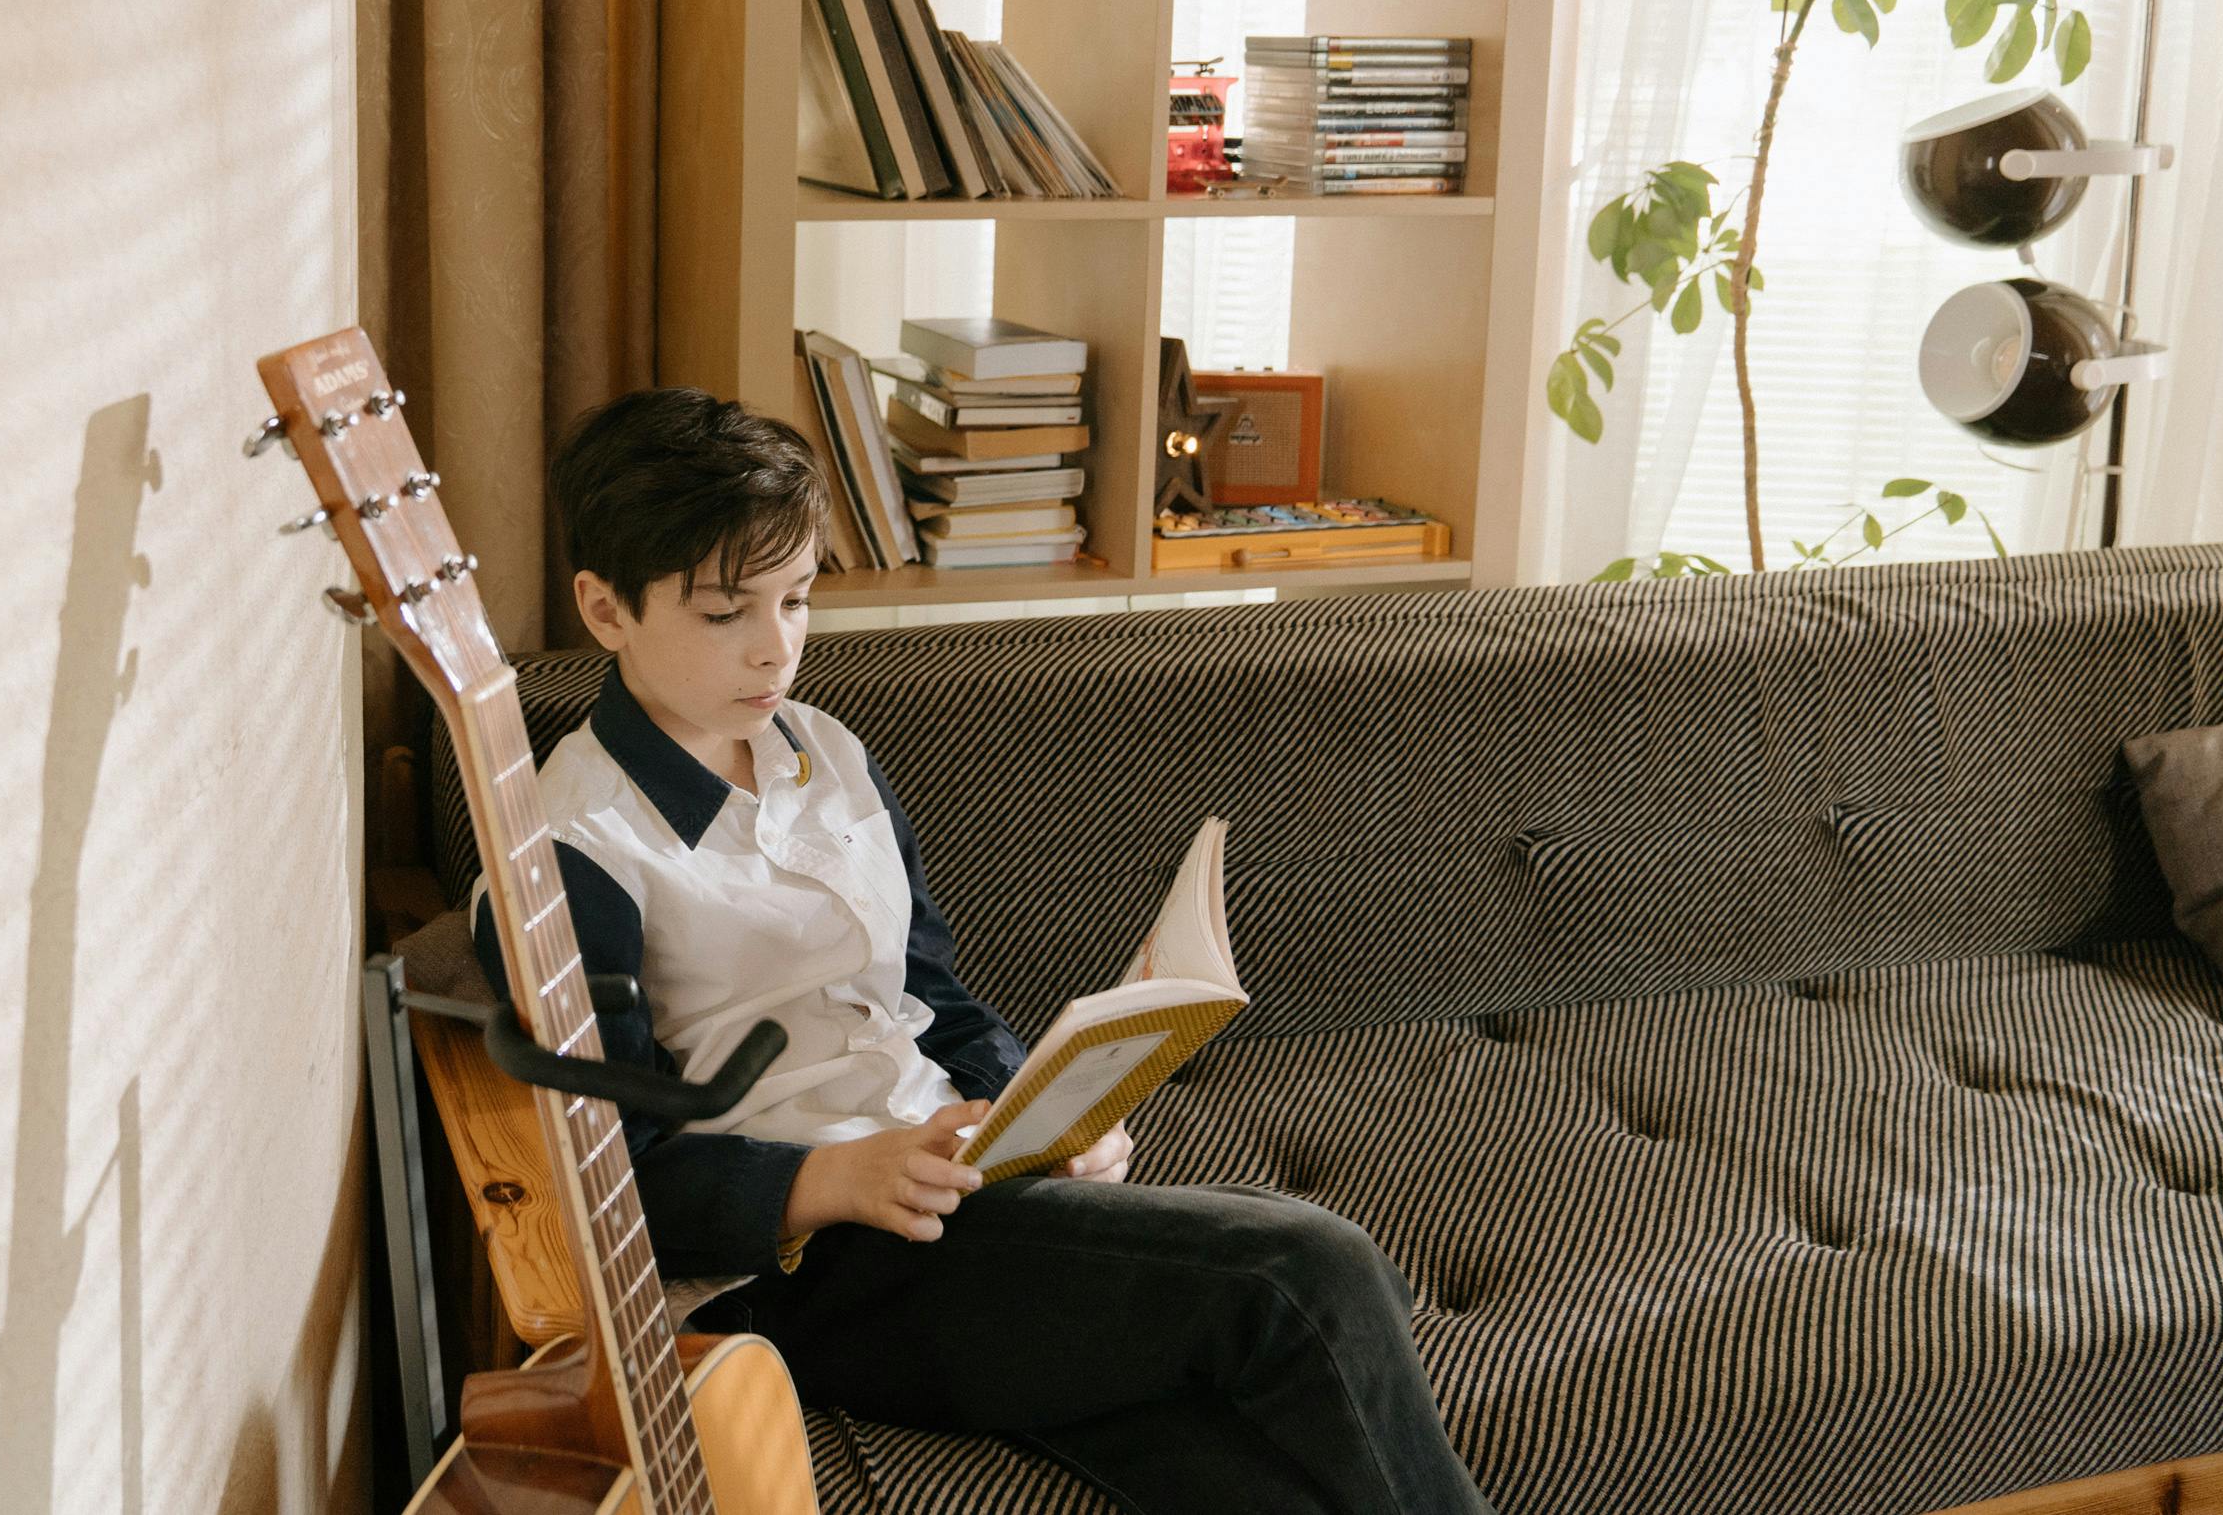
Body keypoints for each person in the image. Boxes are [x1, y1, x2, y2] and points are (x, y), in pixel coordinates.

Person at [474, 388, 1496, 1515]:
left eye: (798, 597)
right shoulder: (570, 852)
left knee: (1266, 1448)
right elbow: (604, 1186)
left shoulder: (828, 749)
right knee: (1311, 1272)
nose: (775, 648)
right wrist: (829, 1177)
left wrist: (1046, 1108)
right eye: (725, 613)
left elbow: (930, 996)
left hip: (960, 1186)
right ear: (604, 608)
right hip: (803, 1271)